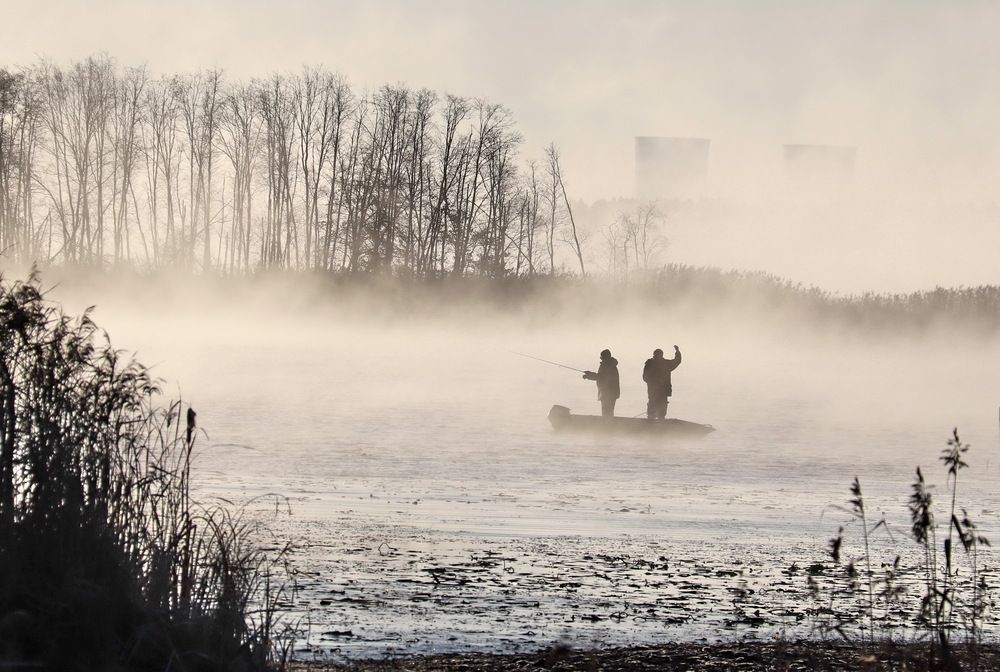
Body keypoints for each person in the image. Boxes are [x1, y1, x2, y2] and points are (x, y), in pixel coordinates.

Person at [642, 345, 681, 420]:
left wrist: (677, 352)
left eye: (658, 355)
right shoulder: (651, 363)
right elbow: (645, 377)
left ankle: (656, 420)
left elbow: (677, 361)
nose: (657, 356)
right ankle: (652, 420)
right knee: (655, 406)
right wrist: (653, 383)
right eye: (656, 355)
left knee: (660, 406)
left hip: (661, 390)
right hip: (656, 390)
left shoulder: (663, 363)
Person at [582, 349, 620, 418]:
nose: (600, 358)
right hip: (611, 393)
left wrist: (588, 375)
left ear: (605, 357)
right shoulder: (611, 365)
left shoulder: (607, 365)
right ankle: (609, 426)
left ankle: (606, 427)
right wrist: (589, 374)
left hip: (607, 393)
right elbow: (601, 376)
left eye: (601, 357)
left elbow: (600, 376)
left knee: (606, 413)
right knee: (609, 412)